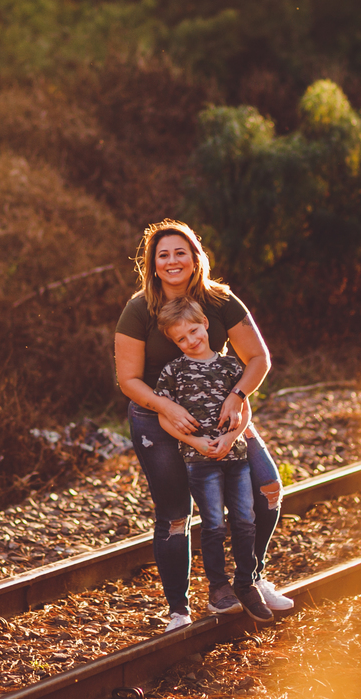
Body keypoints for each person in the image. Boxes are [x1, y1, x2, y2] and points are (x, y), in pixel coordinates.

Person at [114, 220, 293, 633]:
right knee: (177, 514)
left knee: (267, 489)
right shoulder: (138, 309)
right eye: (163, 255)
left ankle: (252, 578)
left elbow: (258, 359)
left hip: (222, 414)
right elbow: (129, 380)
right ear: (153, 265)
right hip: (156, 420)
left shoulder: (220, 301)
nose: (173, 261)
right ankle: (178, 609)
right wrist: (166, 408)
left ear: (196, 259)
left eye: (181, 252)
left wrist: (237, 397)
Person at [153, 297, 271, 622]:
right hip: (200, 460)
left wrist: (231, 437)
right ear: (173, 342)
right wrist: (195, 442)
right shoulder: (173, 372)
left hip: (237, 458)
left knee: (246, 520)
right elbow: (165, 417)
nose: (191, 341)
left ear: (205, 324)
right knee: (215, 525)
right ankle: (218, 588)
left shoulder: (232, 366)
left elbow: (244, 410)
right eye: (181, 338)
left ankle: (246, 582)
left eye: (194, 331)